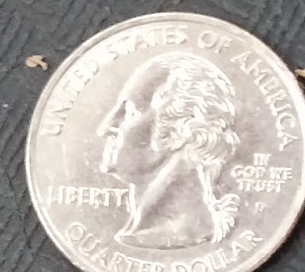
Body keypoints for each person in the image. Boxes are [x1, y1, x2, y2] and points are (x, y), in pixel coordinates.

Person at [96, 51, 243, 248]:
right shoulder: (139, 232)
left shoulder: (178, 233)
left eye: (130, 112)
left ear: (182, 128)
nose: (104, 128)